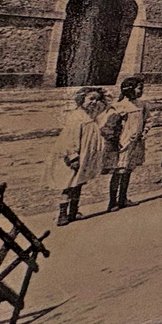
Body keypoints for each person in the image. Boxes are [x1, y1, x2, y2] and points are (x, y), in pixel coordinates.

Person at [46, 87, 108, 226]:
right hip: (76, 156)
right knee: (68, 185)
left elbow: (106, 102)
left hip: (85, 155)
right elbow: (70, 139)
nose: (94, 102)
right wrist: (73, 156)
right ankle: (62, 214)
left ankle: (73, 212)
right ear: (81, 100)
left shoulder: (89, 115)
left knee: (78, 183)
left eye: (97, 100)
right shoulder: (76, 117)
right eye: (90, 99)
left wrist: (100, 96)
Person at [103, 75, 148, 211]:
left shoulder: (142, 105)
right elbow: (109, 126)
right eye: (139, 88)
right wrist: (114, 140)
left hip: (135, 144)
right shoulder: (119, 107)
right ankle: (112, 202)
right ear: (129, 89)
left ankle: (123, 198)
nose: (141, 91)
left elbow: (148, 120)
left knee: (127, 171)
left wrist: (143, 132)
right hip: (122, 143)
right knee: (118, 172)